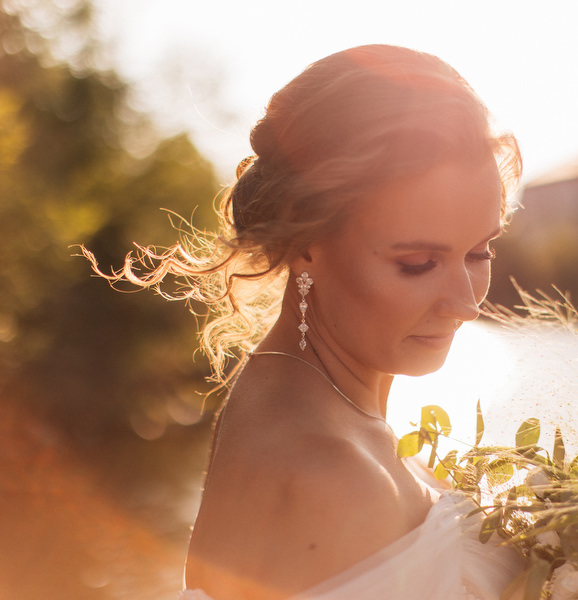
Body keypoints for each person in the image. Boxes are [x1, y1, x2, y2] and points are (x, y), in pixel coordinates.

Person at [85, 45, 524, 599]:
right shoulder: (335, 476)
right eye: (418, 264)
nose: (466, 303)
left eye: (480, 252)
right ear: (305, 241)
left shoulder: (292, 397)